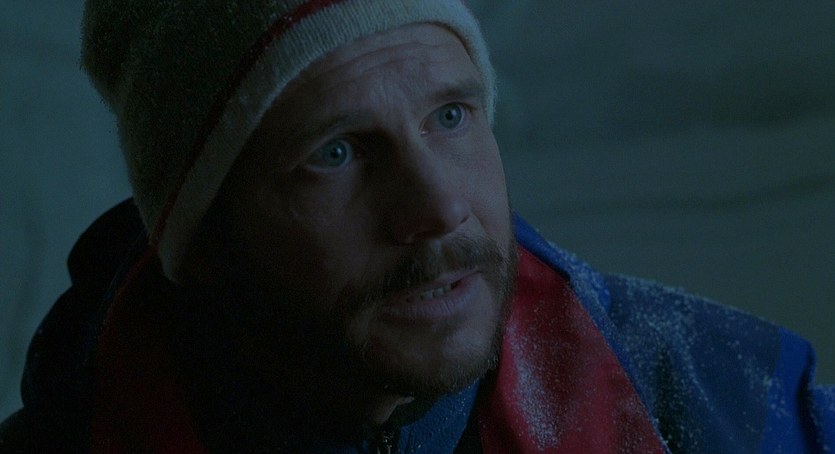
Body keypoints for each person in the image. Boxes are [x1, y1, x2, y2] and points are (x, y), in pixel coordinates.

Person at [1, 1, 833, 452]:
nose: (438, 208)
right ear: (204, 238)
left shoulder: (726, 408)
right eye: (334, 152)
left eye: (450, 116)